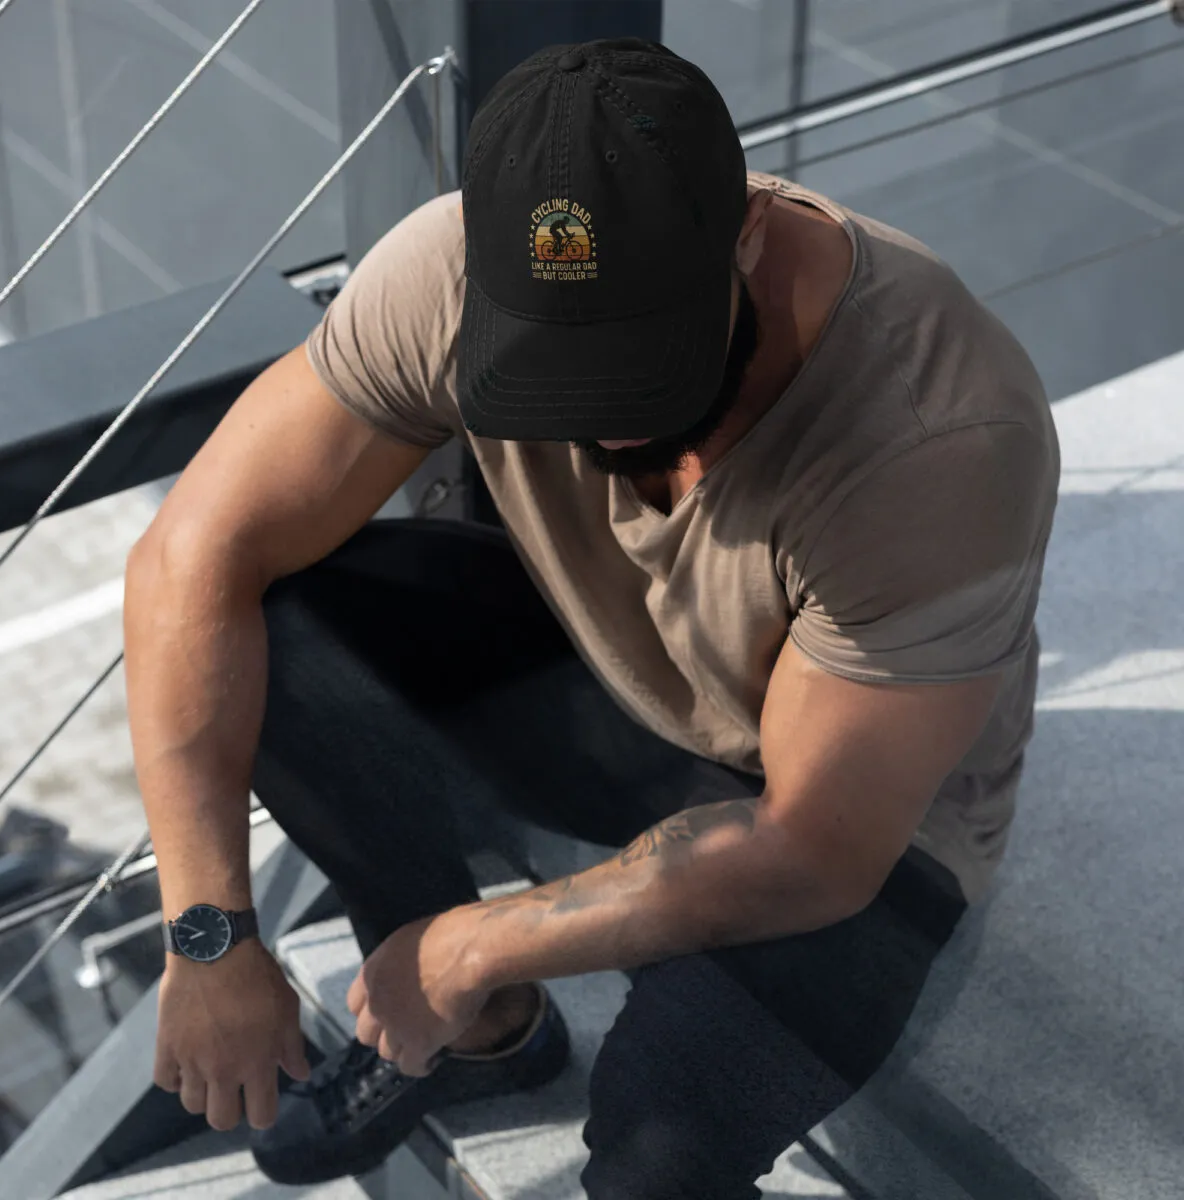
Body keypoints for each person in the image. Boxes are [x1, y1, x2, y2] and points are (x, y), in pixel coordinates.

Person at [125, 37, 1060, 1200]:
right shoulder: (447, 274)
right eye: (557, 376)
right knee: (283, 612)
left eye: (640, 367)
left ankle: (458, 981)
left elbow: (812, 852)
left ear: (750, 235)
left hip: (848, 821)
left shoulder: (938, 434)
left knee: (657, 1156)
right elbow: (192, 556)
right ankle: (480, 1035)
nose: (611, 429)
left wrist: (480, 937)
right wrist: (206, 933)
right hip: (623, 682)